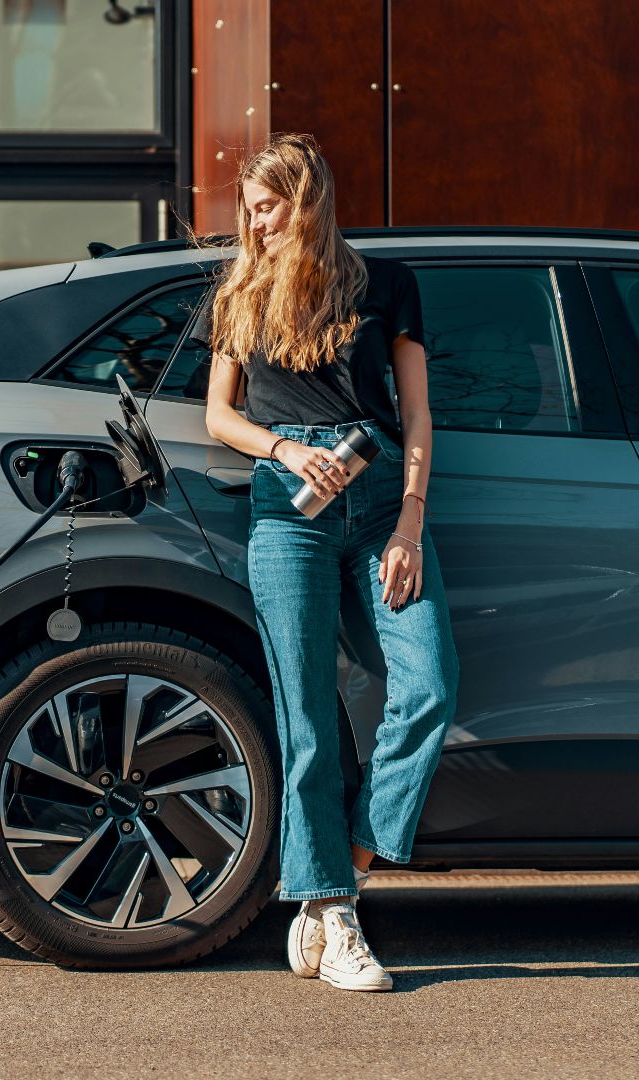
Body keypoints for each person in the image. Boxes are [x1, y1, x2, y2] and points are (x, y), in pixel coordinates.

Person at [200, 134, 459, 992]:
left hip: (382, 501)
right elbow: (218, 417)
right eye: (250, 210)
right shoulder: (240, 291)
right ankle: (333, 913)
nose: (255, 223)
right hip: (290, 510)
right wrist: (282, 448)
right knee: (307, 714)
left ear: (306, 200)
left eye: (268, 206)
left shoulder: (385, 284)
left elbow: (416, 415)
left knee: (430, 687)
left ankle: (343, 868)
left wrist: (410, 523)